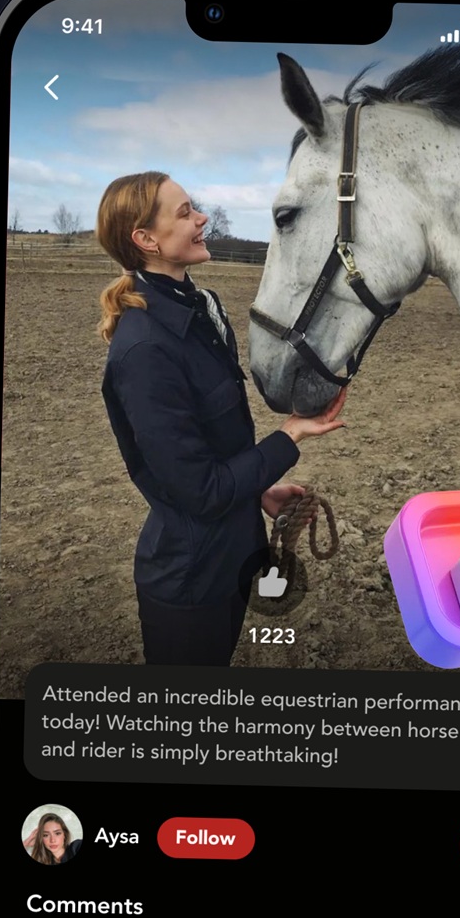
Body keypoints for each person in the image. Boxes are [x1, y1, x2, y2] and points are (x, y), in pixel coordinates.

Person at [96, 171, 345, 667]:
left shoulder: (201, 310)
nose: (202, 218)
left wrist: (259, 492)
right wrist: (290, 434)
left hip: (229, 559)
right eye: (184, 212)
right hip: (190, 584)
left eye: (195, 207)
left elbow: (212, 449)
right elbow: (200, 489)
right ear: (146, 240)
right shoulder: (145, 350)